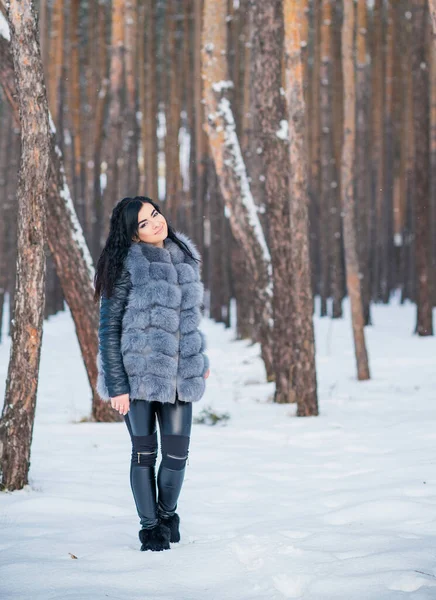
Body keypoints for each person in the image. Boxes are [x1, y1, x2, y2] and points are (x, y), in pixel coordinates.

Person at [93, 196, 210, 552]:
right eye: (144, 222)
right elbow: (109, 328)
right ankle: (151, 529)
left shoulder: (185, 256)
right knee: (144, 454)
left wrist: (199, 362)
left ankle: (166, 514)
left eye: (155, 214)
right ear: (132, 234)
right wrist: (117, 385)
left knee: (177, 455)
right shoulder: (127, 264)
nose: (155, 223)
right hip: (137, 378)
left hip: (179, 377)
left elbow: (191, 321)